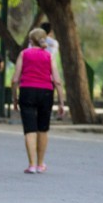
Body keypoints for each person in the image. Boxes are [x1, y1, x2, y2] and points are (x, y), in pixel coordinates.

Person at [11, 28, 65, 174]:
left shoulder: (24, 54)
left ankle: (32, 165)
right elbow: (57, 81)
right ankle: (41, 164)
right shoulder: (49, 56)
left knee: (29, 130)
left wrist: (15, 98)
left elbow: (15, 79)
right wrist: (61, 102)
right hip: (46, 93)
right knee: (42, 128)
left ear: (30, 40)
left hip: (27, 91)